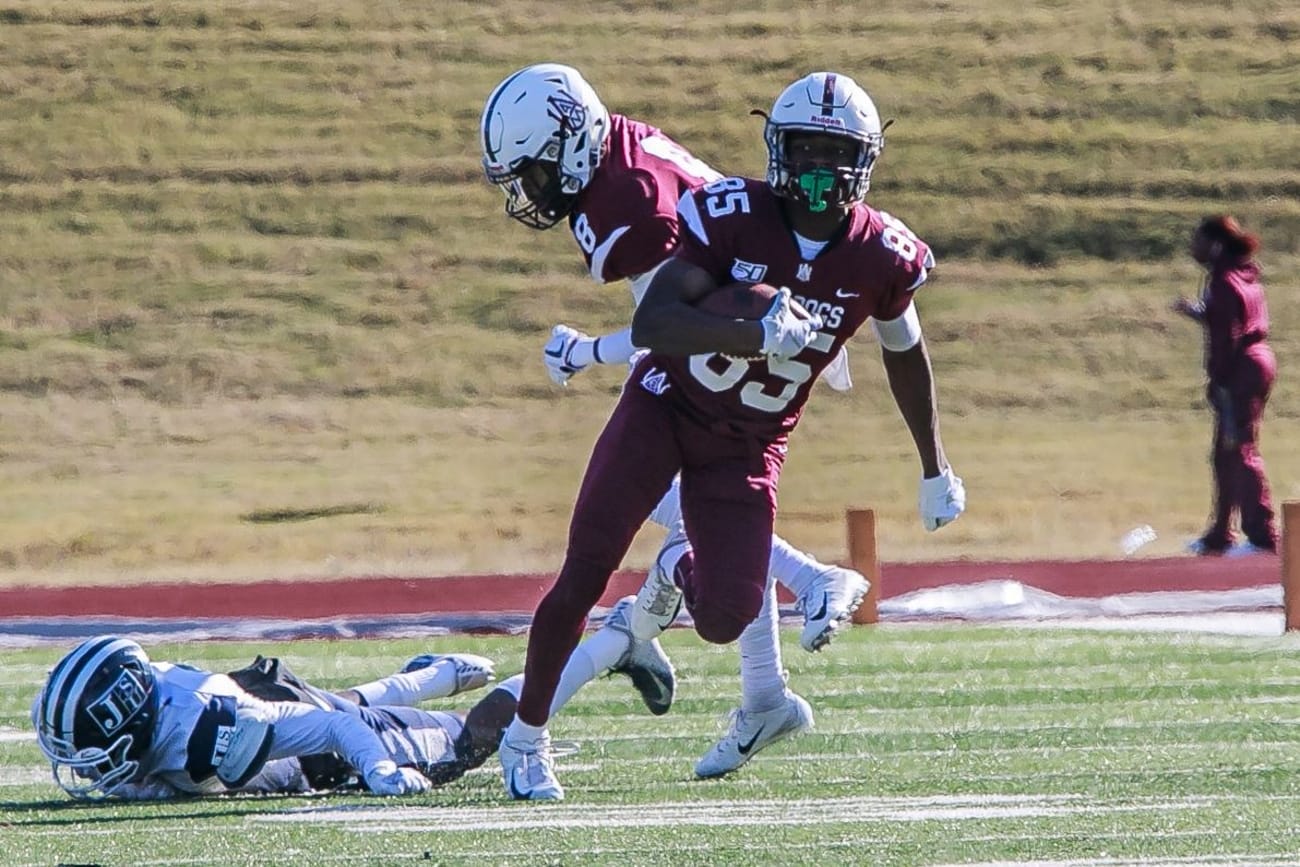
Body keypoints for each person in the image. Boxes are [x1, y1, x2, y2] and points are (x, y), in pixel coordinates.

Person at [493, 70, 965, 800]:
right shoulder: (730, 212)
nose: (815, 171)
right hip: (666, 405)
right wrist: (751, 331)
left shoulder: (883, 254)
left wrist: (934, 465)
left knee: (725, 615)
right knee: (583, 568)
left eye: (832, 153)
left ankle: (675, 585)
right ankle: (525, 742)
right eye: (802, 150)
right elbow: (659, 327)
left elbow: (905, 349)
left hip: (747, 442)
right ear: (777, 148)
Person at [32, 596, 671, 800]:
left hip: (302, 733)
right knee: (330, 710)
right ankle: (430, 673)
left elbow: (331, 732)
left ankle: (614, 642)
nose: (79, 760)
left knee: (473, 739)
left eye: (84, 739)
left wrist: (381, 769)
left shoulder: (210, 732)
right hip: (275, 711)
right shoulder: (173, 715)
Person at [1173, 214, 1278, 556]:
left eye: (1198, 241)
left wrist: (1219, 379)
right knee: (1225, 453)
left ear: (1215, 244)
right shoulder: (1244, 274)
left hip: (1241, 368)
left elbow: (1229, 334)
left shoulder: (1221, 278)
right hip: (1258, 360)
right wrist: (1199, 313)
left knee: (1240, 449)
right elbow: (1232, 317)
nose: (1193, 248)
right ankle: (1220, 534)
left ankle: (1263, 534)